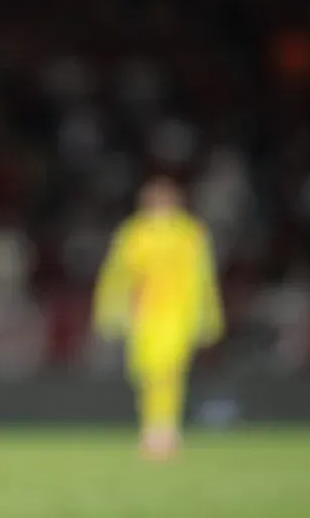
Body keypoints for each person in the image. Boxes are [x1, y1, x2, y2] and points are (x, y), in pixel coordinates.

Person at [92, 175, 225, 461]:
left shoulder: (188, 234)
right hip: (144, 314)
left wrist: (208, 316)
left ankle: (163, 433)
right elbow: (118, 276)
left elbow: (203, 279)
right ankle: (154, 430)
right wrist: (110, 312)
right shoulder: (135, 233)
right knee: (146, 373)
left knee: (168, 372)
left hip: (177, 314)